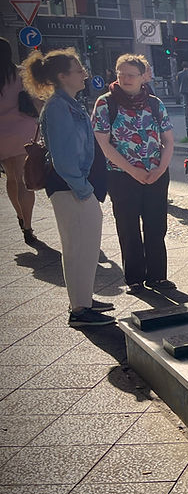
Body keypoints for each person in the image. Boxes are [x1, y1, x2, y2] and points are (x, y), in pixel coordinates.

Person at [22, 48, 113, 326]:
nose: (84, 74)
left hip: (73, 185)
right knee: (78, 248)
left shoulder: (68, 103)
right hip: (70, 186)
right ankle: (80, 310)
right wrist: (83, 188)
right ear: (62, 76)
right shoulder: (59, 107)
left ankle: (83, 300)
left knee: (84, 247)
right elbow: (63, 156)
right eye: (78, 70)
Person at [92, 53, 176, 294]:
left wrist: (160, 169)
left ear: (143, 76)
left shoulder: (154, 103)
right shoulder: (106, 103)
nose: (126, 79)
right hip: (121, 175)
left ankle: (158, 276)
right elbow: (103, 144)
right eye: (121, 74)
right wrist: (133, 170)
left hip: (156, 174)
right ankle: (135, 278)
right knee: (128, 227)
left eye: (131, 75)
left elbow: (168, 141)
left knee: (156, 225)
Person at [0, 37, 39, 244]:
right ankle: (28, 227)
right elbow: (36, 98)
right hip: (23, 130)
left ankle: (19, 215)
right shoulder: (21, 73)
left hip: (2, 134)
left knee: (11, 177)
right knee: (24, 180)